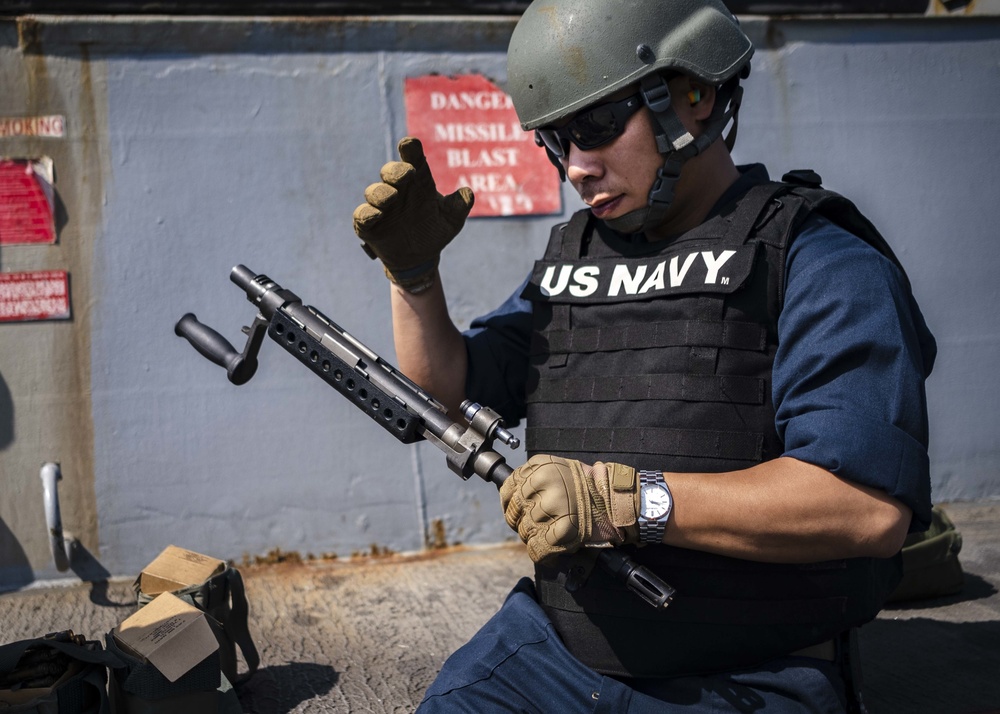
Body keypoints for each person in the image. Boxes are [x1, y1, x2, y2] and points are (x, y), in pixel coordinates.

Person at [351, 0, 936, 710]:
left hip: (749, 672)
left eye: (597, 126)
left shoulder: (817, 260)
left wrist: (624, 503)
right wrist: (413, 280)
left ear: (694, 94)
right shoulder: (575, 261)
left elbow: (866, 509)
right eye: (556, 141)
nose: (576, 168)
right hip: (552, 656)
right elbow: (451, 395)